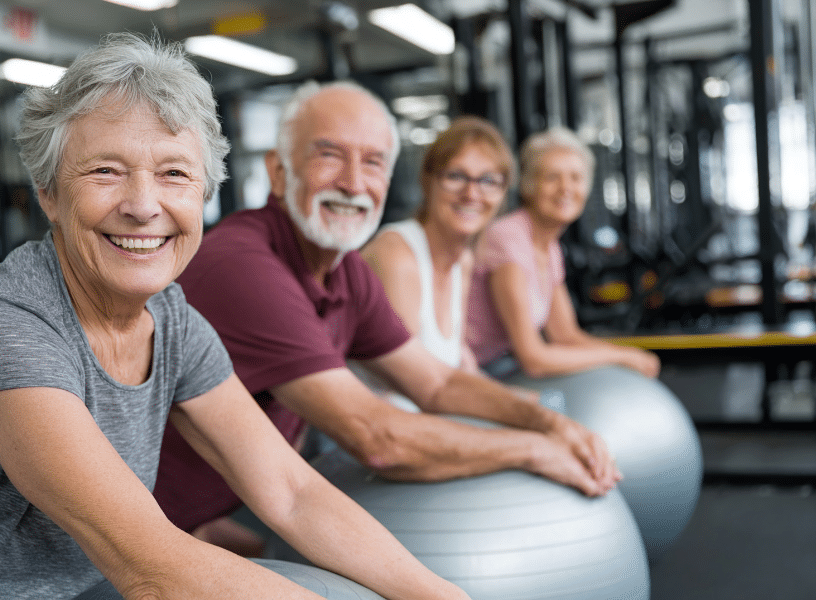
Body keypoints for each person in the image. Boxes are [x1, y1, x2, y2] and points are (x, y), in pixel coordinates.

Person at [0, 34, 468, 600]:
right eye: (106, 170)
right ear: (49, 194)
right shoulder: (4, 330)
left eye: (174, 174)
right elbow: (155, 569)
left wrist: (438, 594)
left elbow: (290, 489)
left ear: (204, 194)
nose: (143, 205)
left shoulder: (172, 323)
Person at [154, 82, 622, 552]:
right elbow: (376, 437)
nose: (354, 183)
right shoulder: (244, 266)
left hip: (190, 523)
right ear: (278, 172)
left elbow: (435, 383)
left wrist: (546, 422)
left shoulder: (346, 270)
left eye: (373, 162)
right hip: (115, 555)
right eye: (330, 155)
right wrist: (532, 450)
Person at [466, 126, 661, 379]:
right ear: (528, 186)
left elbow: (565, 335)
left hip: (497, 368)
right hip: (467, 372)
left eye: (576, 178)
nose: (565, 188)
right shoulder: (507, 239)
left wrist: (630, 355)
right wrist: (621, 356)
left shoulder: (550, 247)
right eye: (552, 178)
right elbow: (533, 359)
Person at [358, 116, 514, 412]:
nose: (471, 193)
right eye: (456, 176)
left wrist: (529, 404)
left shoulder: (463, 261)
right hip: (355, 444)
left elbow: (461, 363)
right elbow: (416, 384)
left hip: (422, 425)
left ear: (502, 194)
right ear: (428, 181)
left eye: (488, 180)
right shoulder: (397, 254)